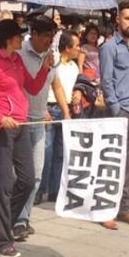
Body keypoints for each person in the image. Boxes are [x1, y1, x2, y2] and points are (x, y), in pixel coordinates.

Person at [0, 19, 51, 257]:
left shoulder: (17, 61)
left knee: (28, 180)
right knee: (4, 185)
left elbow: (33, 87)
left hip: (22, 125)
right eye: (19, 36)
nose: (22, 39)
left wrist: (45, 68)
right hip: (3, 129)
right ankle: (1, 240)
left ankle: (0, 221)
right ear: (8, 39)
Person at [98, 1, 129, 230]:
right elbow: (106, 81)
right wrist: (115, 108)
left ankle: (125, 208)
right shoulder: (109, 47)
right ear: (118, 20)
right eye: (127, 18)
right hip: (119, 111)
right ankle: (105, 209)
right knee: (112, 162)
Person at [14, 16, 60, 238]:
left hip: (40, 120)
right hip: (21, 121)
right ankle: (14, 218)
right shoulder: (19, 54)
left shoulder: (53, 57)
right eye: (46, 36)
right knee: (22, 176)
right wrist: (43, 67)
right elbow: (29, 86)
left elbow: (55, 85)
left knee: (37, 175)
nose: (49, 41)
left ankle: (24, 218)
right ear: (34, 34)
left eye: (52, 37)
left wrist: (65, 113)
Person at [37, 32, 80, 206]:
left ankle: (55, 189)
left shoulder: (74, 67)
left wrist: (78, 93)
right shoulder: (53, 63)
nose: (79, 49)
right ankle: (41, 189)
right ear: (67, 48)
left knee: (60, 152)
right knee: (46, 151)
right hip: (50, 109)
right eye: (76, 46)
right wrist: (42, 109)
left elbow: (75, 85)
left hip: (66, 110)